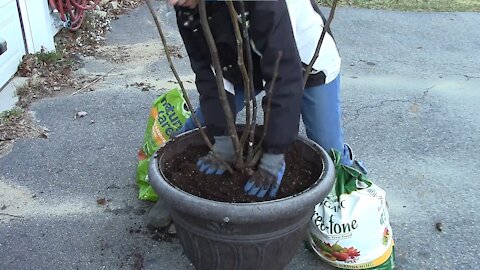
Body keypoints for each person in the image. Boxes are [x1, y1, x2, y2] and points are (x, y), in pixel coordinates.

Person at [147, 0, 365, 227]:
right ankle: (174, 195)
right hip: (242, 63)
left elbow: (283, 75)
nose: (171, 2)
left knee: (329, 150)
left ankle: (357, 187)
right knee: (202, 126)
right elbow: (206, 70)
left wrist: (274, 153)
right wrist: (222, 135)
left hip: (304, 61)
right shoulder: (188, 8)